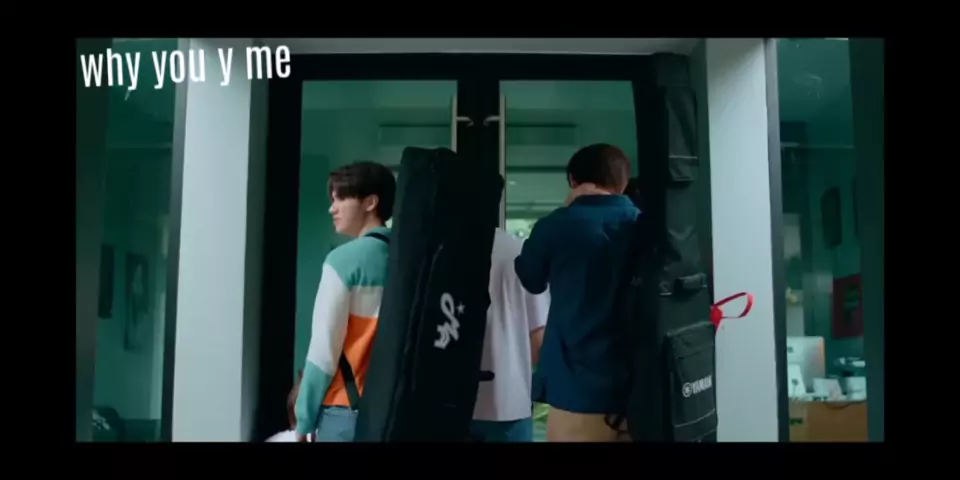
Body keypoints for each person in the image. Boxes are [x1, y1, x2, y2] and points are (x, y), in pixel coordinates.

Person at [514, 143, 639, 442]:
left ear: (573, 180)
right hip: (639, 392)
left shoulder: (557, 225)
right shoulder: (644, 224)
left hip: (577, 390)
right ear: (623, 183)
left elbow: (530, 278)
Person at [294, 161, 396, 442]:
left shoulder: (343, 262)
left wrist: (303, 419)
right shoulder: (411, 260)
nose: (332, 208)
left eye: (340, 198)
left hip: (347, 412)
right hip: (399, 411)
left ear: (370, 202)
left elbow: (324, 350)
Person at [470, 227, 550, 442]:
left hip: (450, 400)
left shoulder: (440, 250)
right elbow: (539, 342)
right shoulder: (521, 252)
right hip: (509, 401)